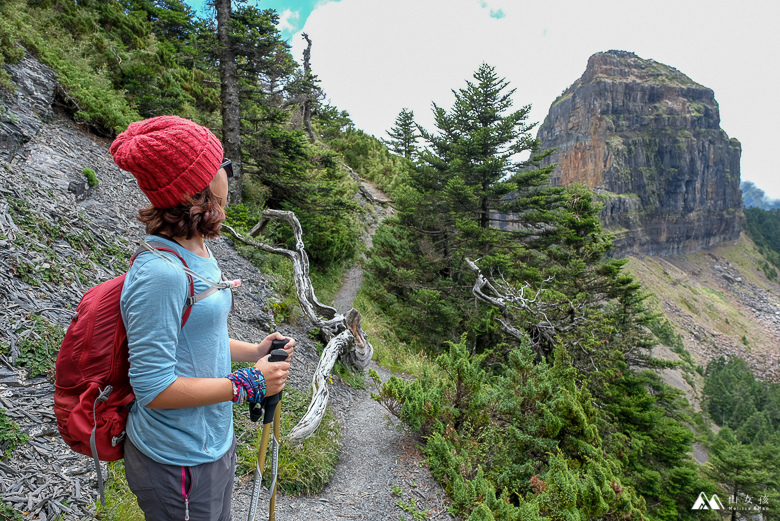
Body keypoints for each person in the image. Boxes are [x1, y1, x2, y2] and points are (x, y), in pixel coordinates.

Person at [110, 115, 294, 520]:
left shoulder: (196, 252)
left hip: (210, 441)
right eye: (219, 165)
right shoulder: (161, 273)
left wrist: (255, 352)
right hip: (177, 457)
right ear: (195, 193)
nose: (227, 170)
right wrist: (248, 383)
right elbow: (154, 388)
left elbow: (195, 340)